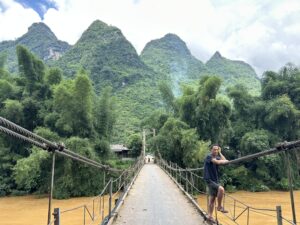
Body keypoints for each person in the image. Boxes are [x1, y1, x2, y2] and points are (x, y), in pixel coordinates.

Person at [204, 144, 229, 223]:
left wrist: (220, 153)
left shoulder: (217, 156)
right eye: (214, 149)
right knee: (221, 189)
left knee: (212, 200)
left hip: (215, 180)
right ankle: (219, 206)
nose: (215, 151)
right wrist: (224, 161)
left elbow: (225, 161)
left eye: (217, 150)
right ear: (211, 150)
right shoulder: (209, 157)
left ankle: (210, 216)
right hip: (209, 179)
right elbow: (217, 162)